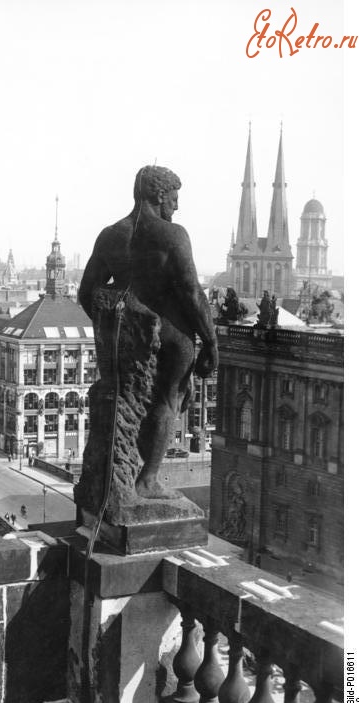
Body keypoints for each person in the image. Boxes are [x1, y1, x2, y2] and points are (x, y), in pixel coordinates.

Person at [78, 165, 218, 498]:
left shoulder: (110, 235)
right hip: (172, 334)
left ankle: (118, 478)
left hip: (129, 337)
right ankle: (147, 479)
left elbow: (87, 292)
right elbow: (191, 292)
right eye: (174, 197)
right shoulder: (172, 235)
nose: (177, 205)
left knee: (124, 401)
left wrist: (115, 328)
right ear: (158, 194)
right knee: (169, 402)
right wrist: (211, 342)